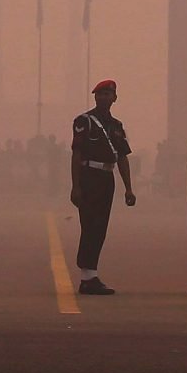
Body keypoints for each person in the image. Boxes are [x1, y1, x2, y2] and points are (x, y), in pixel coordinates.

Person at [68, 78, 134, 295]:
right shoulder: (84, 121)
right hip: (89, 176)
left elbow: (122, 158)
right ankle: (87, 276)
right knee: (89, 225)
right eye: (100, 94)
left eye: (108, 94)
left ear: (115, 98)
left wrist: (128, 188)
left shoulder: (116, 126)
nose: (104, 98)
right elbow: (76, 155)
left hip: (107, 178)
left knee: (100, 227)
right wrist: (75, 186)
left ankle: (91, 273)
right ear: (95, 97)